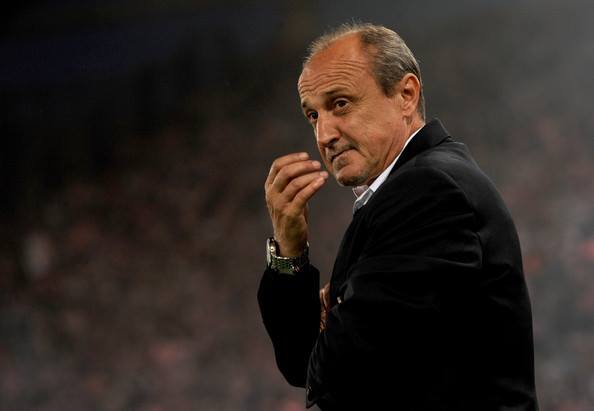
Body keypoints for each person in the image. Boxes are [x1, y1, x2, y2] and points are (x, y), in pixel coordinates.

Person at [258, 23, 538, 410]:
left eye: (340, 104)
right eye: (313, 115)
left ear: (406, 95)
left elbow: (343, 378)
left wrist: (332, 325)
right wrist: (289, 253)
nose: (323, 135)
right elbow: (301, 366)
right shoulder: (402, 192)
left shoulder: (429, 190)